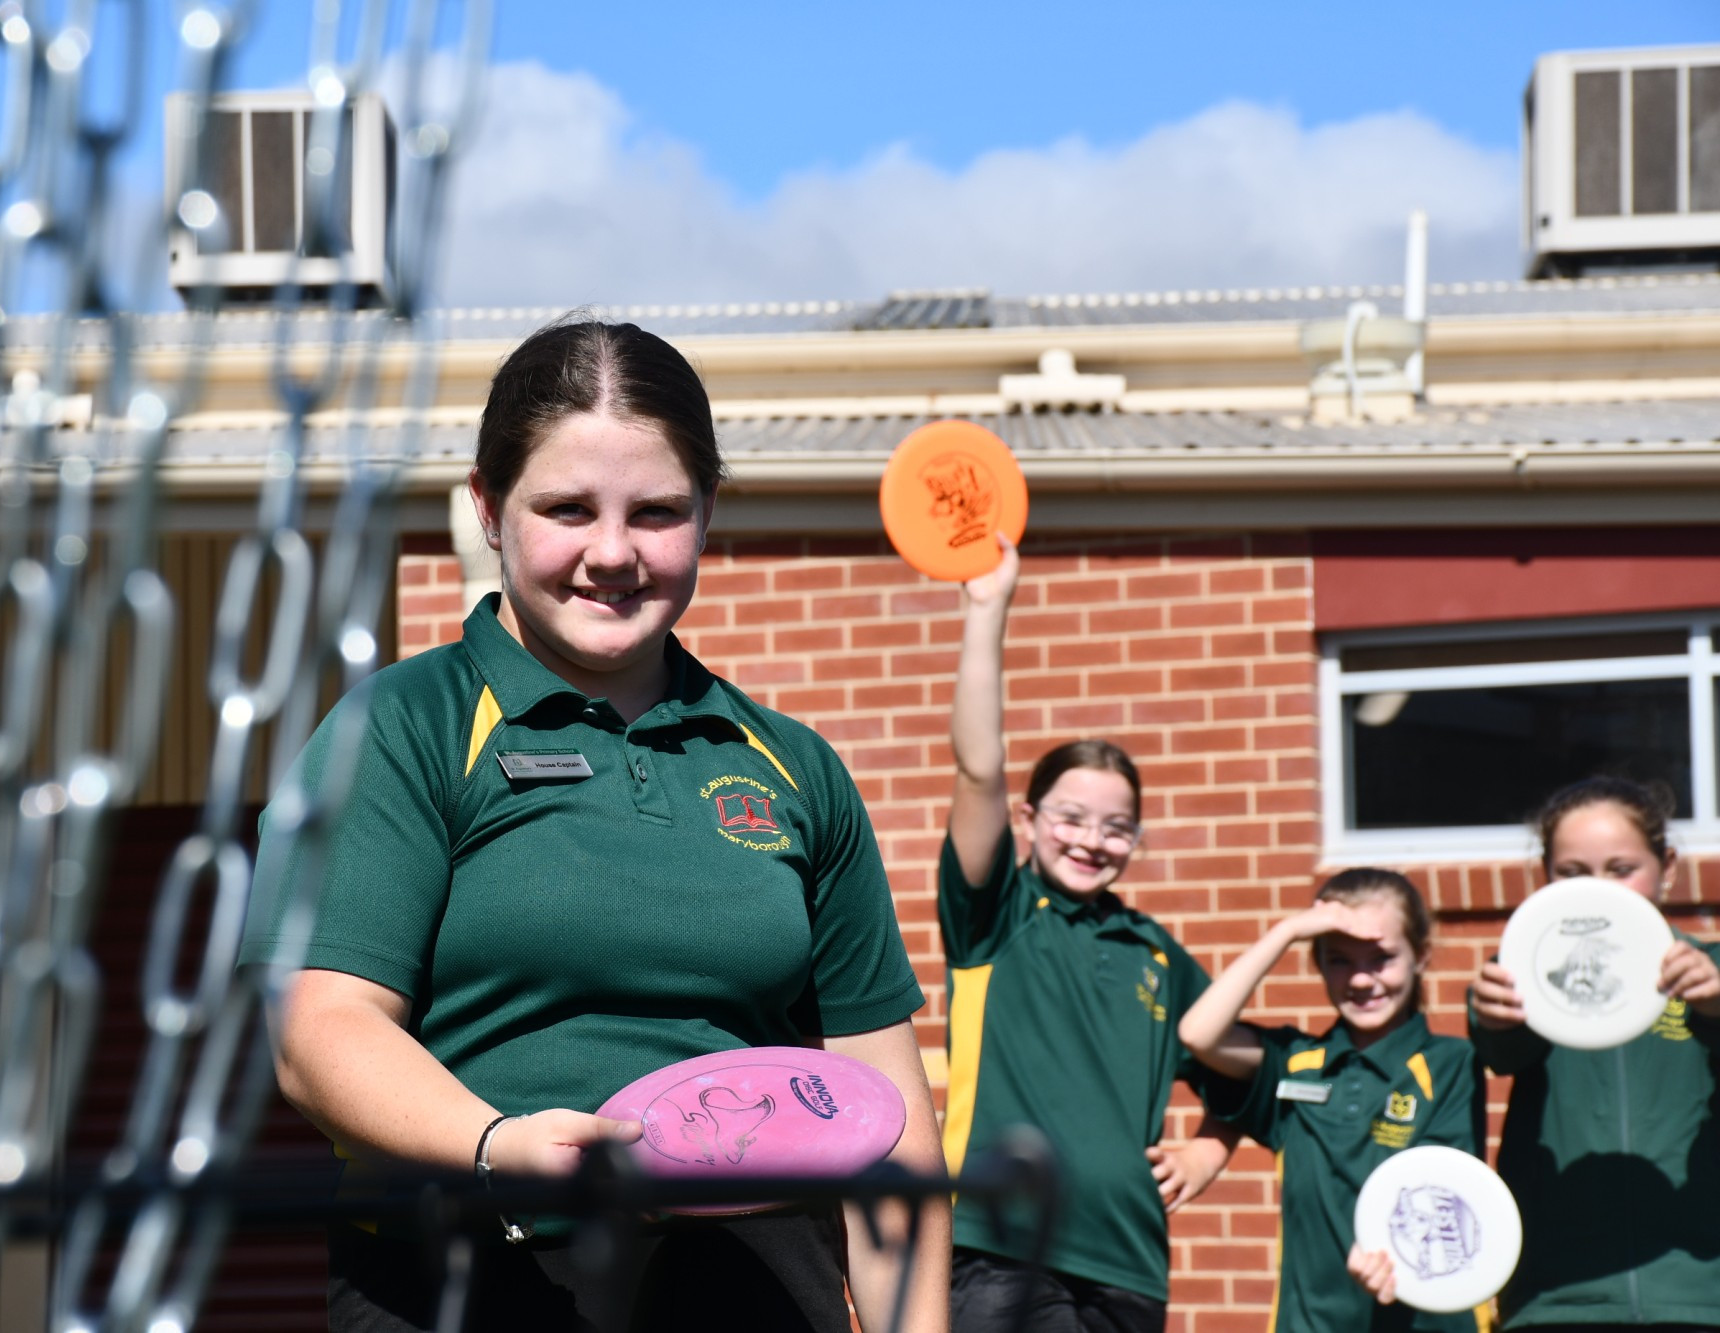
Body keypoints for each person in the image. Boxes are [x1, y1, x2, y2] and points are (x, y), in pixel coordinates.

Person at [239, 318, 949, 1333]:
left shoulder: (793, 767)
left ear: (706, 515)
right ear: (488, 508)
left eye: (655, 512)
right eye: (566, 508)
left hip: (756, 1291)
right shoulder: (404, 726)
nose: (610, 553)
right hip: (476, 1278)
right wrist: (498, 1144)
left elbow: (882, 1098)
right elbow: (320, 1030)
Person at [939, 534, 1236, 1333]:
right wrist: (986, 607)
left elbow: (1247, 1073)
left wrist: (1211, 1147)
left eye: (1117, 826)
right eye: (1070, 816)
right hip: (998, 1245)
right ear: (1031, 819)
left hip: (1130, 1259)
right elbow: (978, 768)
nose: (1091, 839)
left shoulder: (1158, 953)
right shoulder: (992, 912)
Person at [1177, 868, 1485, 1331]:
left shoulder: (1451, 1063)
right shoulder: (1295, 1062)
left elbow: (1442, 1198)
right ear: (1317, 962)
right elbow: (1198, 1033)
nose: (1361, 980)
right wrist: (1288, 931)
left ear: (1420, 956)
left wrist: (1392, 1251)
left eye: (1381, 958)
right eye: (1339, 959)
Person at [1468, 776, 1720, 1331]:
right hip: (1557, 1297)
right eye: (1573, 872)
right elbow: (1500, 1051)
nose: (1599, 889)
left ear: (1668, 867)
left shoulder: (1711, 972)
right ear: (1547, 879)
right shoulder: (1520, 974)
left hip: (1699, 1292)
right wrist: (1495, 1013)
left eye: (1622, 868)